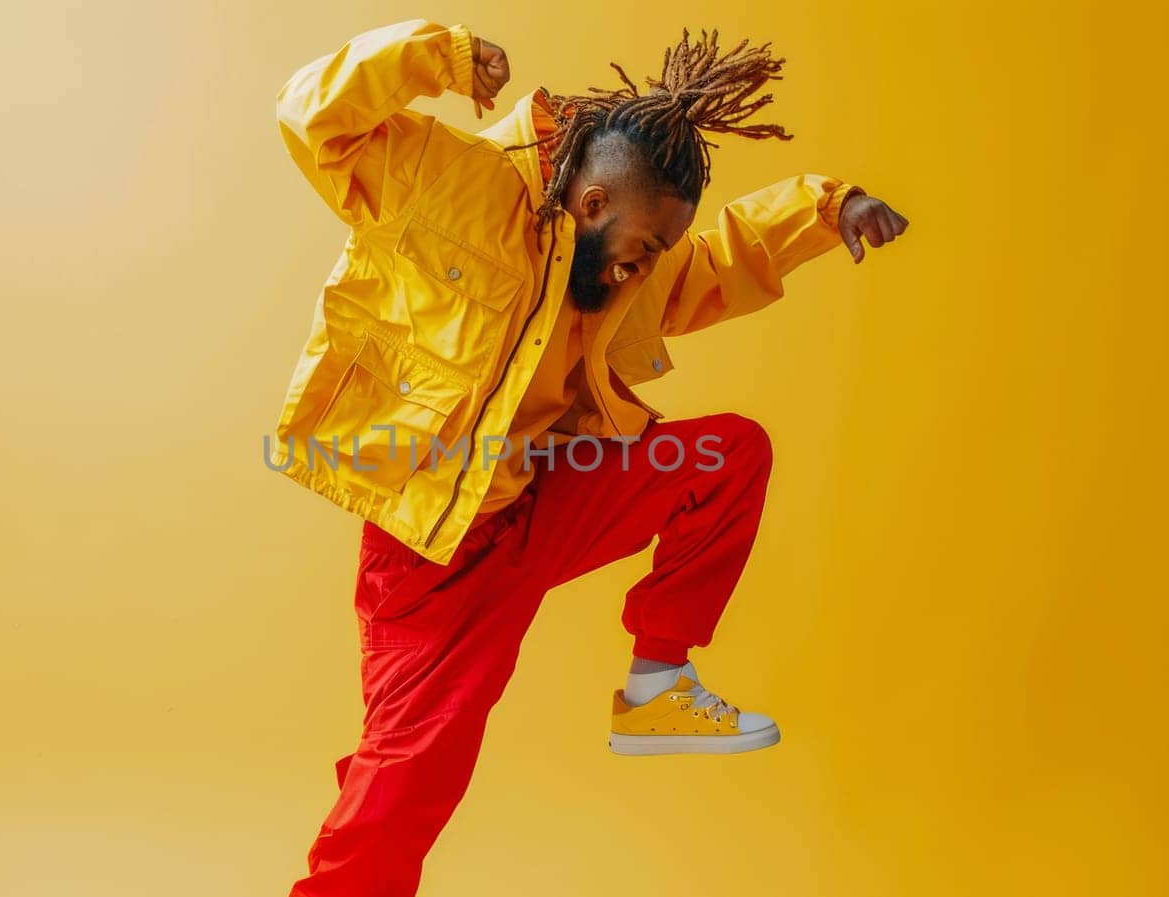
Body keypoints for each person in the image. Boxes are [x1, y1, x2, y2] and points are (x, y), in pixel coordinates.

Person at [269, 18, 909, 896]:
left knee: (728, 455)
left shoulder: (629, 270)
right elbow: (313, 118)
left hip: (542, 505)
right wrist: (436, 54)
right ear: (595, 203)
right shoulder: (455, 183)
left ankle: (657, 684)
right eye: (643, 251)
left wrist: (828, 208)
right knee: (410, 772)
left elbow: (723, 259)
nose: (639, 275)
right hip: (430, 552)